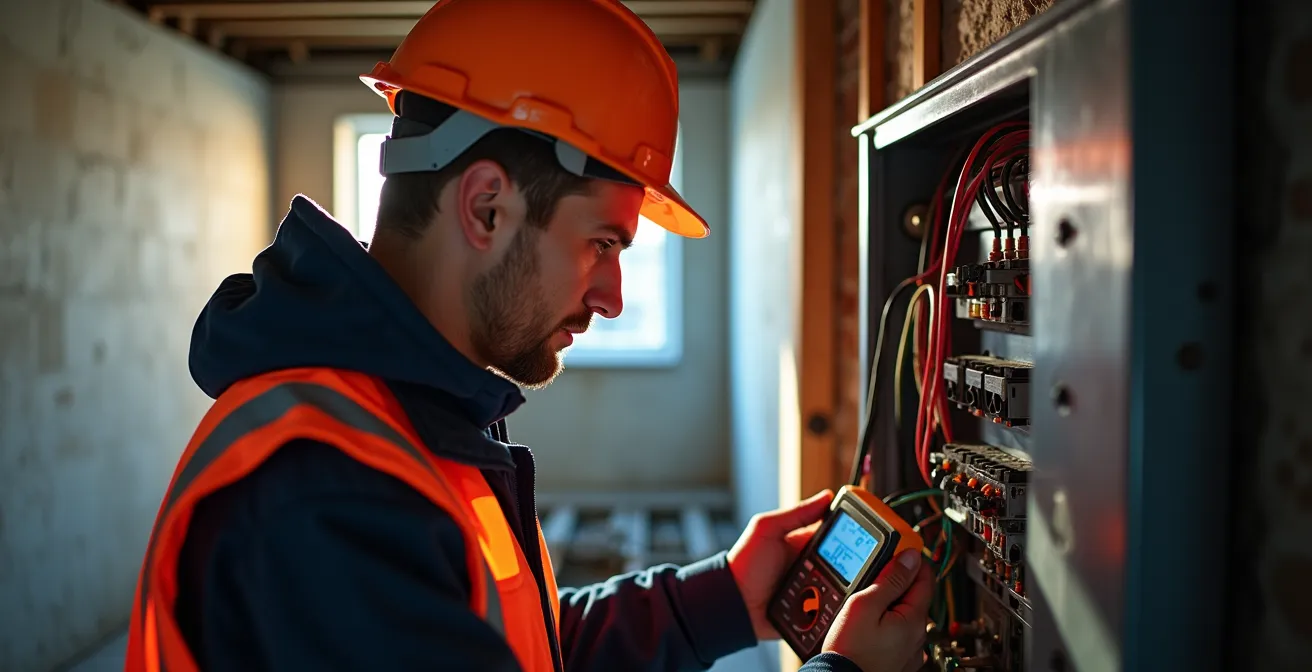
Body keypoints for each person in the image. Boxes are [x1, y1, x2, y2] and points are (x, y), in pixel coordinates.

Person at [124, 1, 933, 671]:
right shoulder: (324, 495)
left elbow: (515, 647)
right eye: (603, 244)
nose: (614, 298)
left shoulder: (411, 414)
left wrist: (720, 596)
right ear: (486, 208)